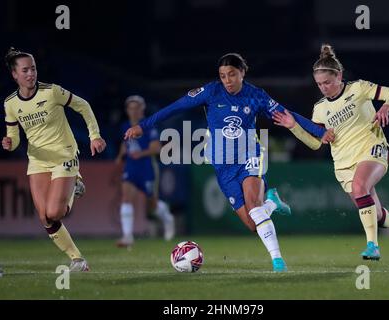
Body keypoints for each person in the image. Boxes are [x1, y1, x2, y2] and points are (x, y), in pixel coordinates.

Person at [124, 53, 334, 272]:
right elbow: (175, 107)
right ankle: (272, 201)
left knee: (254, 207)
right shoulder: (211, 91)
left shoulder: (256, 96)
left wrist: (319, 131)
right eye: (223, 76)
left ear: (242, 72)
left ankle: (277, 261)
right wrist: (143, 126)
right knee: (253, 224)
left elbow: (287, 114)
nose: (227, 80)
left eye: (232, 75)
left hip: (249, 156)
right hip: (223, 165)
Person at [273, 44, 389, 260]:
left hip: (371, 148)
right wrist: (294, 126)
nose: (324, 87)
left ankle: (372, 246)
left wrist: (386, 107)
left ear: (339, 76)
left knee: (360, 187)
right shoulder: (320, 109)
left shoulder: (358, 88)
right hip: (343, 164)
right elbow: (314, 144)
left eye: (327, 82)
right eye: (319, 84)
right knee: (375, 215)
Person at [2, 47, 106, 271]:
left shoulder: (52, 92)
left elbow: (83, 106)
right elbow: (14, 137)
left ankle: (75, 183)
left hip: (64, 154)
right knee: (45, 218)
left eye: (33, 69)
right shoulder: (10, 104)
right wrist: (10, 143)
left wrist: (95, 135)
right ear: (14, 75)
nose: (31, 74)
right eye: (25, 70)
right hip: (38, 160)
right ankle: (77, 259)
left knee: (55, 212)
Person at [115, 95, 175, 247]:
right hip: (131, 166)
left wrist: (140, 154)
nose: (133, 111)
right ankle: (127, 236)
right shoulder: (125, 126)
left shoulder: (148, 125)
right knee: (126, 197)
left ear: (142, 110)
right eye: (130, 108)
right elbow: (125, 143)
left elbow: (157, 148)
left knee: (152, 205)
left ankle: (168, 219)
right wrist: (120, 155)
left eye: (137, 108)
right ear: (127, 110)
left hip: (147, 166)